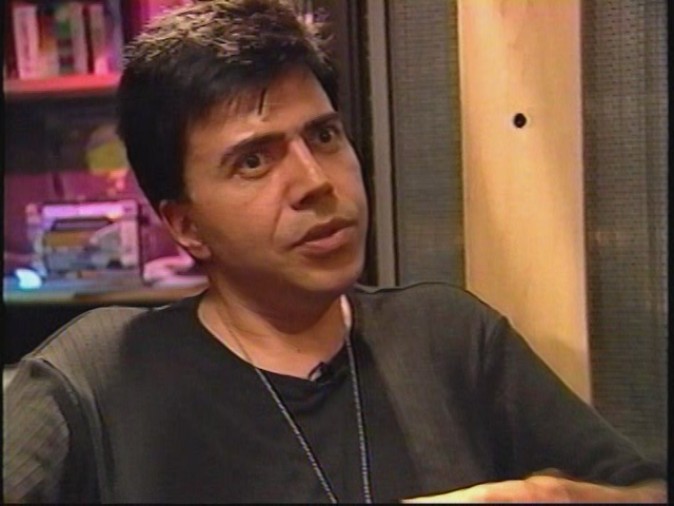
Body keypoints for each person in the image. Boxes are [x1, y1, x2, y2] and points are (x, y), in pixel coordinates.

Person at [3, 0, 666, 503]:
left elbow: (645, 490)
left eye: (323, 136)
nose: (315, 181)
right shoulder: (95, 378)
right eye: (254, 160)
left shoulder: (448, 338)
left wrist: (554, 496)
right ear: (186, 225)